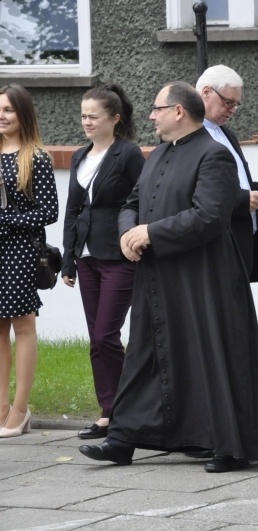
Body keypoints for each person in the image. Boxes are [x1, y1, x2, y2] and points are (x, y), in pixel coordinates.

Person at [78, 81, 258, 473]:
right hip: (159, 275)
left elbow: (210, 216)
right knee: (147, 354)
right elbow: (131, 203)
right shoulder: (158, 154)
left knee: (209, 356)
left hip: (204, 279)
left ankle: (226, 447)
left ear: (179, 111)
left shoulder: (214, 155)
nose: (151, 115)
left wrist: (151, 233)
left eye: (157, 108)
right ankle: (123, 439)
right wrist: (129, 233)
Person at [61, 84, 145, 440]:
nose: (86, 122)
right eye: (83, 116)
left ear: (115, 118)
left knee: (105, 335)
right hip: (87, 258)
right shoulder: (81, 156)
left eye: (93, 116)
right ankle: (109, 413)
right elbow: (72, 209)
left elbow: (143, 198)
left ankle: (130, 409)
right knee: (97, 340)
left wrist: (138, 238)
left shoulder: (127, 154)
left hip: (119, 255)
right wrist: (68, 259)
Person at [0, 84, 59, 438]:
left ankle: (20, 411)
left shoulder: (35, 156)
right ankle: (1, 408)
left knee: (22, 326)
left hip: (20, 251)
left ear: (23, 114)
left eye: (7, 109)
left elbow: (48, 211)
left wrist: (6, 219)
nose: (1, 116)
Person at [196, 64, 258, 282]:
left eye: (236, 104)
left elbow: (232, 182)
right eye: (228, 102)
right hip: (216, 245)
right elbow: (195, 192)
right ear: (206, 92)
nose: (232, 109)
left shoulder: (226, 134)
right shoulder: (189, 136)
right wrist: (242, 199)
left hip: (242, 239)